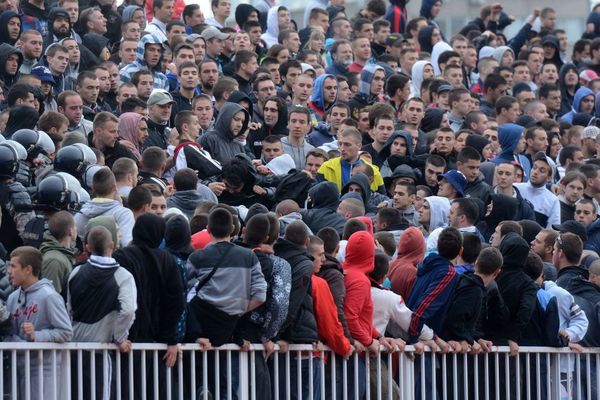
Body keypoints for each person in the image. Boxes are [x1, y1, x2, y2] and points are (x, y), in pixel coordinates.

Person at [113, 214, 185, 398]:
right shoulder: (167, 260)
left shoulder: (121, 256)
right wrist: (171, 339)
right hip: (157, 343)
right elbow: (175, 301)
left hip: (125, 339)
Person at [67, 225, 137, 399]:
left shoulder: (76, 272)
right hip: (101, 352)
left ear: (88, 247)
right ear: (113, 245)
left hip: (74, 350)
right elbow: (128, 310)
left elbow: (68, 309)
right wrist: (120, 337)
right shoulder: (123, 276)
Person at [5, 246, 72, 399]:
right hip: (17, 370)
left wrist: (38, 335)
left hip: (43, 371)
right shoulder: (12, 298)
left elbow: (66, 332)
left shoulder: (49, 296)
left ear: (28, 269)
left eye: (13, 266)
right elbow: (9, 332)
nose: (9, 271)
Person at [40, 210, 77, 297]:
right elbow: (50, 298)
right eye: (76, 226)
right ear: (71, 231)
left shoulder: (63, 254)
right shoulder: (54, 260)